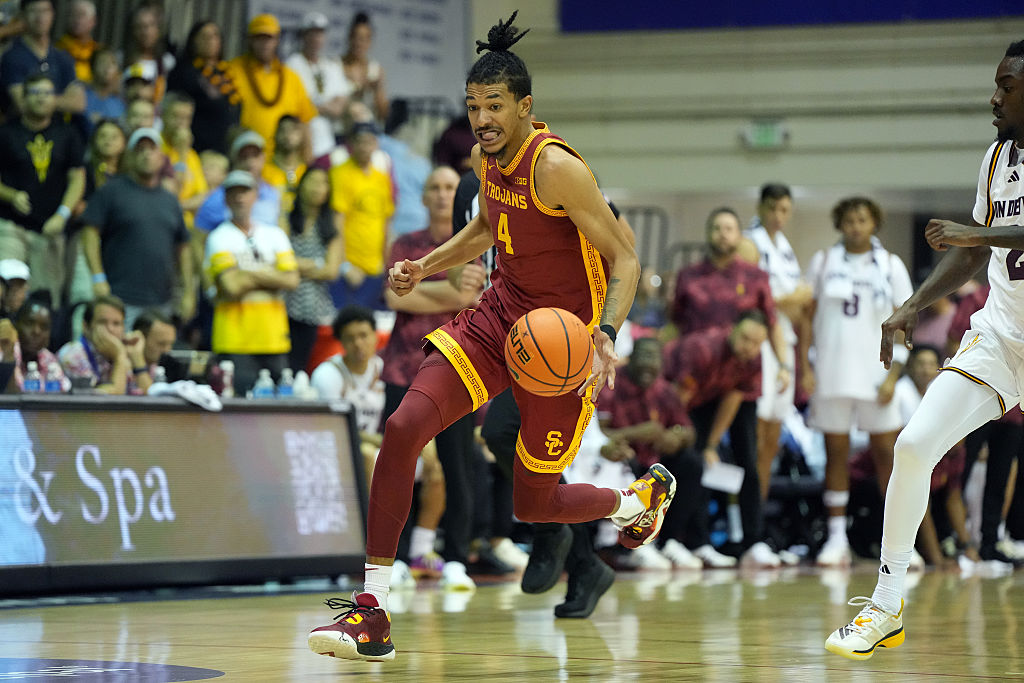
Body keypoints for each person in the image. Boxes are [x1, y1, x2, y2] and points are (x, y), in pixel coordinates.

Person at [308, 13, 660, 663]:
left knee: (536, 502)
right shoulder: (482, 159)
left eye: (494, 105)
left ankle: (632, 501)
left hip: (564, 343)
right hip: (500, 317)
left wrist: (607, 333)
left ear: (525, 106)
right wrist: (426, 265)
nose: (482, 119)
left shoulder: (557, 168)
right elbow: (488, 229)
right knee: (403, 425)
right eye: (474, 107)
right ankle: (371, 610)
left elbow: (627, 257)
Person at [825, 40, 1024, 660]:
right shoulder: (998, 157)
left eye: (1006, 86)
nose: (994, 98)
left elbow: (979, 237)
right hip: (1002, 337)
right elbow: (972, 253)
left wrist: (976, 232)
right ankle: (885, 606)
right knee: (912, 447)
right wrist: (911, 305)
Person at [377, 166, 484, 579]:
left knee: (459, 467)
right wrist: (454, 293)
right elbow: (395, 298)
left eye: (449, 188)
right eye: (434, 188)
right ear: (422, 197)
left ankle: (456, 558)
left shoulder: (475, 242)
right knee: (399, 464)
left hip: (458, 368)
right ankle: (396, 558)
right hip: (403, 368)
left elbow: (476, 297)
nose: (442, 195)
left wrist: (421, 290)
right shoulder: (405, 244)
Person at [669, 206, 787, 566]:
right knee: (696, 456)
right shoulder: (688, 276)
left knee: (747, 457)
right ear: (708, 233)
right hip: (698, 379)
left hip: (741, 379)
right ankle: (698, 540)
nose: (723, 233)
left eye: (730, 227)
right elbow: (674, 324)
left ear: (739, 235)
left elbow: (772, 324)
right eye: (717, 227)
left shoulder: (755, 277)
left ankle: (753, 540)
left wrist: (784, 364)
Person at [801, 196, 913, 568]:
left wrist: (895, 374)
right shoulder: (823, 261)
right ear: (839, 224)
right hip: (832, 371)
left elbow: (906, 319)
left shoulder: (891, 264)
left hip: (878, 373)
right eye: (849, 220)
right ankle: (836, 540)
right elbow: (806, 317)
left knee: (887, 456)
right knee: (836, 454)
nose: (855, 226)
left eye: (862, 219)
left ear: (874, 223)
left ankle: (897, 544)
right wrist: (805, 366)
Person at [311, 305, 448, 581]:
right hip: (341, 453)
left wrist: (425, 443)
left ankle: (421, 551)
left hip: (382, 448)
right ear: (341, 342)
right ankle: (376, 555)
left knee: (434, 466)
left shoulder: (389, 371)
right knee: (367, 456)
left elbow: (412, 414)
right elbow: (335, 429)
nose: (358, 343)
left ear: (376, 336)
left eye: (363, 335)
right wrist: (384, 442)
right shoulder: (327, 375)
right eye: (350, 338)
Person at [661, 311, 770, 567]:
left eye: (757, 343)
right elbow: (676, 398)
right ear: (732, 329)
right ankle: (671, 539)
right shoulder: (701, 348)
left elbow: (733, 399)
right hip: (668, 400)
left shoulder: (752, 359)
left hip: (706, 402)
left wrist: (711, 444)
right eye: (745, 338)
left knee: (708, 463)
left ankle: (700, 543)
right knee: (689, 462)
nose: (749, 347)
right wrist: (676, 433)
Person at [81, 127, 193, 329]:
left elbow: (183, 248)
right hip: (119, 297)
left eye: (152, 149)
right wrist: (97, 278)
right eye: (140, 150)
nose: (146, 154)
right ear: (131, 157)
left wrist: (188, 292)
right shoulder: (111, 191)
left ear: (162, 158)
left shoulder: (170, 200)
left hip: (162, 300)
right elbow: (89, 233)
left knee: (157, 349)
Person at [744, 183, 814, 504]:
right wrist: (791, 299)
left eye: (784, 209)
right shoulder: (750, 243)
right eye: (772, 208)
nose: (778, 215)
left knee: (773, 434)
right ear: (760, 207)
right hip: (759, 343)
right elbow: (754, 301)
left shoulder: (784, 247)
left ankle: (758, 512)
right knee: (755, 433)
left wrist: (790, 301)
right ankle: (744, 518)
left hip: (784, 342)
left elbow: (798, 305)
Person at [203, 170, 298, 395]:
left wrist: (246, 274)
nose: (239, 197)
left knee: (278, 405)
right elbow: (232, 287)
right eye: (233, 192)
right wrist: (270, 274)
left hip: (273, 337)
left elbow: (292, 280)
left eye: (244, 191)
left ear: (255, 195)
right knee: (237, 405)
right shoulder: (218, 237)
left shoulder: (274, 234)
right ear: (225, 199)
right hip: (234, 339)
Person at [0, 71, 85, 307]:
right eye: (35, 92)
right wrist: (11, 195)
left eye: (47, 92)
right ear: (24, 98)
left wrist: (62, 215)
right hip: (11, 226)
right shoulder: (6, 133)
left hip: (50, 230)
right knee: (5, 291)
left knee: (46, 300)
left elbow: (78, 178)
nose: (41, 98)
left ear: (55, 98)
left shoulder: (68, 134)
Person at [228, 14, 315, 160]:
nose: (264, 44)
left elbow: (304, 121)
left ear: (277, 41)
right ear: (250, 40)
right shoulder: (232, 71)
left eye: (269, 38)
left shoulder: (291, 77)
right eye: (259, 38)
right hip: (246, 158)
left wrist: (307, 158)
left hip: (283, 160)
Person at [328, 121, 394, 309]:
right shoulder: (339, 174)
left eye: (369, 141)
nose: (364, 147)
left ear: (376, 144)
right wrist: (344, 265)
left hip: (375, 268)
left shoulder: (381, 178)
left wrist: (386, 264)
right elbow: (336, 223)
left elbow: (385, 223)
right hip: (350, 269)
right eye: (360, 141)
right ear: (351, 143)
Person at [284, 167, 343, 373]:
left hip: (313, 308)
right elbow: (280, 261)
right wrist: (315, 264)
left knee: (303, 367)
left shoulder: (330, 226)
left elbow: (331, 271)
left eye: (323, 183)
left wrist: (296, 265)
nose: (318, 188)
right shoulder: (287, 219)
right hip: (284, 302)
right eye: (313, 181)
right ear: (301, 185)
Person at [166, 20, 240, 155]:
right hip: (197, 147)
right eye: (204, 36)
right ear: (193, 41)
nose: (210, 40)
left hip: (225, 148)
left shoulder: (227, 72)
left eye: (214, 36)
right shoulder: (184, 72)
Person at [0, 0, 84, 116]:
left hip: (57, 125)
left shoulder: (62, 57)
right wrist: (60, 101)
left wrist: (38, 99)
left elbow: (78, 103)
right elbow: (22, 105)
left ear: (53, 15)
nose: (40, 17)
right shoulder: (11, 57)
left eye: (45, 11)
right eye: (33, 11)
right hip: (20, 125)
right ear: (22, 16)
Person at [286, 11, 351, 159]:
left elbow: (340, 106)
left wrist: (313, 106)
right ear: (303, 36)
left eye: (320, 33)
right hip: (299, 140)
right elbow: (294, 105)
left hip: (327, 141)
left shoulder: (331, 66)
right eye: (312, 33)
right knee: (295, 172)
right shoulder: (292, 65)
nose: (316, 38)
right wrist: (323, 107)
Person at [58, 293, 149, 394]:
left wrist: (137, 358)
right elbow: (105, 400)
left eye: (116, 323)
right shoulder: (72, 355)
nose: (110, 329)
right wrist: (119, 357)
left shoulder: (123, 351)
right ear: (86, 326)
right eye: (102, 322)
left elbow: (149, 396)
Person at [195, 130, 281, 234]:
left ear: (263, 157)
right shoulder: (218, 198)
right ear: (235, 160)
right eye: (244, 156)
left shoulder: (272, 194)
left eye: (255, 155)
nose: (250, 162)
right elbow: (199, 237)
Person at [9, 296, 68, 391]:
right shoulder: (6, 354)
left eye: (44, 327)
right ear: (16, 325)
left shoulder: (48, 358)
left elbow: (63, 391)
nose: (36, 332)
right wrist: (8, 358)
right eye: (29, 323)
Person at [341, 12, 388, 125]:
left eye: (363, 39)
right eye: (356, 38)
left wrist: (377, 90)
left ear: (370, 42)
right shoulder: (336, 66)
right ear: (349, 38)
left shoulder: (376, 70)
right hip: (342, 128)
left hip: (368, 129)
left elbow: (383, 114)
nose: (358, 44)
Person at [121, 2, 173, 104]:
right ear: (133, 30)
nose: (145, 32)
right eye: (140, 26)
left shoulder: (168, 62)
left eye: (150, 25)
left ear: (158, 29)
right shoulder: (120, 58)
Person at [263, 115, 306, 216]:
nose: (287, 135)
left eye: (292, 130)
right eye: (283, 130)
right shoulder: (263, 170)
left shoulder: (307, 171)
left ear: (301, 136)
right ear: (275, 135)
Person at [55, 0, 97, 83]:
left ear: (93, 21)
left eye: (81, 15)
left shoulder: (97, 51)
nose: (77, 19)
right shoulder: (58, 48)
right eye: (73, 14)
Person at [83, 48, 124, 130]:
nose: (107, 68)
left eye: (112, 63)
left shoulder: (120, 103)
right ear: (92, 67)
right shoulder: (82, 96)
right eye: (102, 62)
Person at [132, 308, 175, 374]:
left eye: (171, 344)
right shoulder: (121, 365)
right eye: (161, 344)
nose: (167, 350)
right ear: (140, 339)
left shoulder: (159, 366)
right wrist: (139, 364)